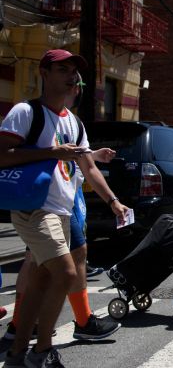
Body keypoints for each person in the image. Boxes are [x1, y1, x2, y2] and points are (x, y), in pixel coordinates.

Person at [0, 49, 129, 367]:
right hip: (34, 208)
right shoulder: (25, 112)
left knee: (43, 281)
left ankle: (17, 353)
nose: (72, 75)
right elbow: (1, 155)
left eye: (74, 70)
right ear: (44, 73)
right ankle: (42, 351)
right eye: (62, 69)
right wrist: (51, 152)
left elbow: (90, 168)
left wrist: (113, 201)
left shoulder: (74, 123)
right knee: (67, 272)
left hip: (63, 210)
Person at [5, 147, 121, 343]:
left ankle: (23, 329)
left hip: (61, 200)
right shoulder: (30, 116)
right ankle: (42, 341)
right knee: (66, 265)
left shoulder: (71, 122)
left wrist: (92, 157)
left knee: (38, 261)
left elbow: (75, 159)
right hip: (46, 202)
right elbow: (14, 153)